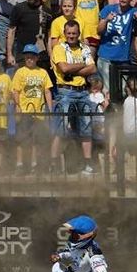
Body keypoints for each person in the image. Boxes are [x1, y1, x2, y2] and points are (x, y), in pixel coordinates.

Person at [50, 20, 97, 174]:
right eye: (69, 33)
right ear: (65, 34)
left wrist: (71, 71)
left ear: (78, 34)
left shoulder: (84, 49)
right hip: (65, 91)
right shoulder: (58, 48)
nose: (71, 36)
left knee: (86, 128)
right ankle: (55, 164)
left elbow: (93, 68)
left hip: (83, 92)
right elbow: (63, 68)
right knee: (61, 129)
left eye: (74, 33)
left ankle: (87, 164)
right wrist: (82, 66)